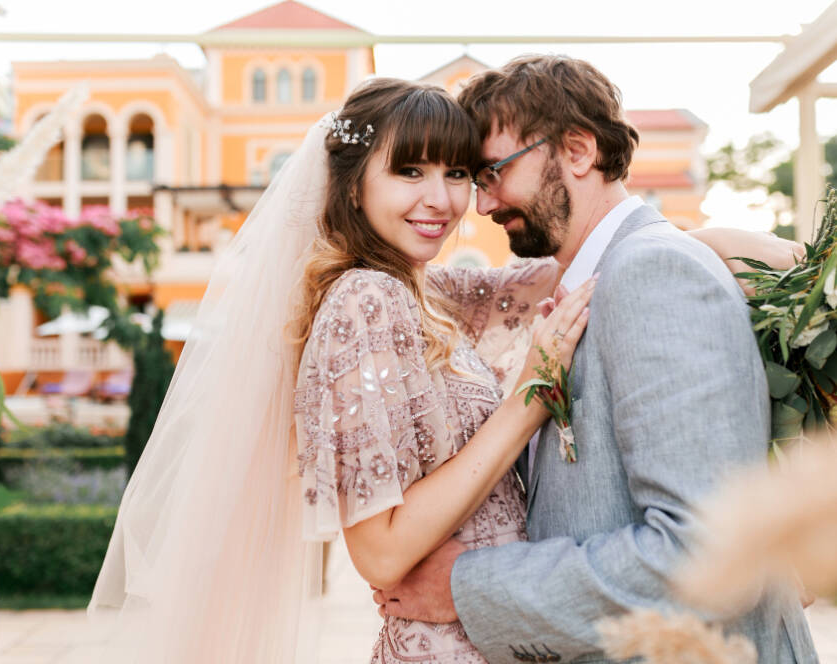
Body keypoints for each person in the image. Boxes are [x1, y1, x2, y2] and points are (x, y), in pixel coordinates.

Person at [89, 75, 802, 663]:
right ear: (352, 185)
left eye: (463, 172)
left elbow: (591, 265)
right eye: (410, 171)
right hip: (445, 641)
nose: (455, 200)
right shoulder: (362, 302)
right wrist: (527, 396)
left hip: (509, 633)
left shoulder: (434, 296)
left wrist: (771, 270)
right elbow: (379, 552)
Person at [372, 56, 817, 663]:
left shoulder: (652, 274)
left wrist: (466, 585)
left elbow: (703, 550)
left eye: (493, 173)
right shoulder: (601, 278)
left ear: (578, 150)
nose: (481, 205)